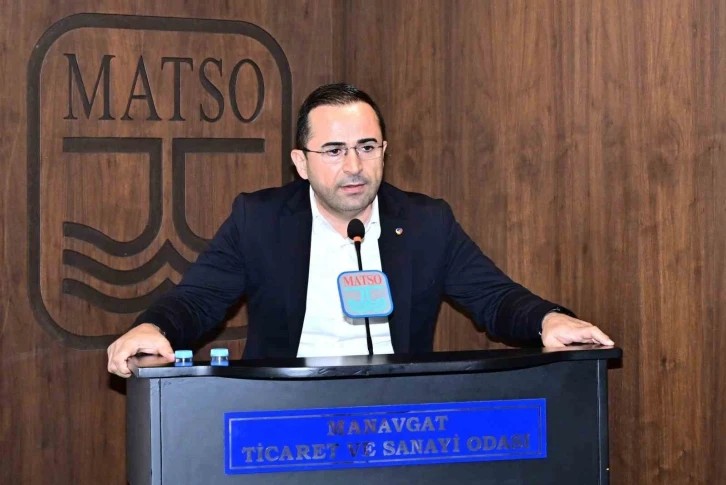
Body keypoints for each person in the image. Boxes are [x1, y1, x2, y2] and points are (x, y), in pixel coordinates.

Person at [107, 83, 613, 377]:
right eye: (334, 151)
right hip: (285, 415)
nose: (354, 166)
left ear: (383, 152)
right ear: (300, 162)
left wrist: (547, 320)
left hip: (398, 417)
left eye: (367, 148)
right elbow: (199, 299)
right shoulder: (259, 220)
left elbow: (493, 297)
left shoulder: (425, 222)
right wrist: (155, 328)